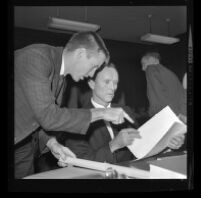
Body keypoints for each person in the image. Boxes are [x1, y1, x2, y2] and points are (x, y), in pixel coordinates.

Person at [14, 31, 134, 178]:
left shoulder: (62, 77)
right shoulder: (35, 57)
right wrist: (101, 112)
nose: (91, 74)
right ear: (81, 54)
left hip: (24, 143)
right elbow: (48, 116)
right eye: (94, 66)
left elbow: (36, 117)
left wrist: (52, 143)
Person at [61, 63, 140, 164]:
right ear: (92, 84)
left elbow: (140, 147)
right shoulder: (78, 120)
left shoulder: (126, 111)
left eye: (115, 82)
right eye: (107, 82)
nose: (112, 87)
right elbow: (81, 163)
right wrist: (113, 146)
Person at [141, 51, 186, 150]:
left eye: (144, 64)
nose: (143, 68)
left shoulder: (151, 69)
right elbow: (181, 95)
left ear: (153, 60)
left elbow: (157, 98)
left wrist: (155, 118)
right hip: (178, 118)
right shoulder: (170, 73)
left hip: (166, 119)